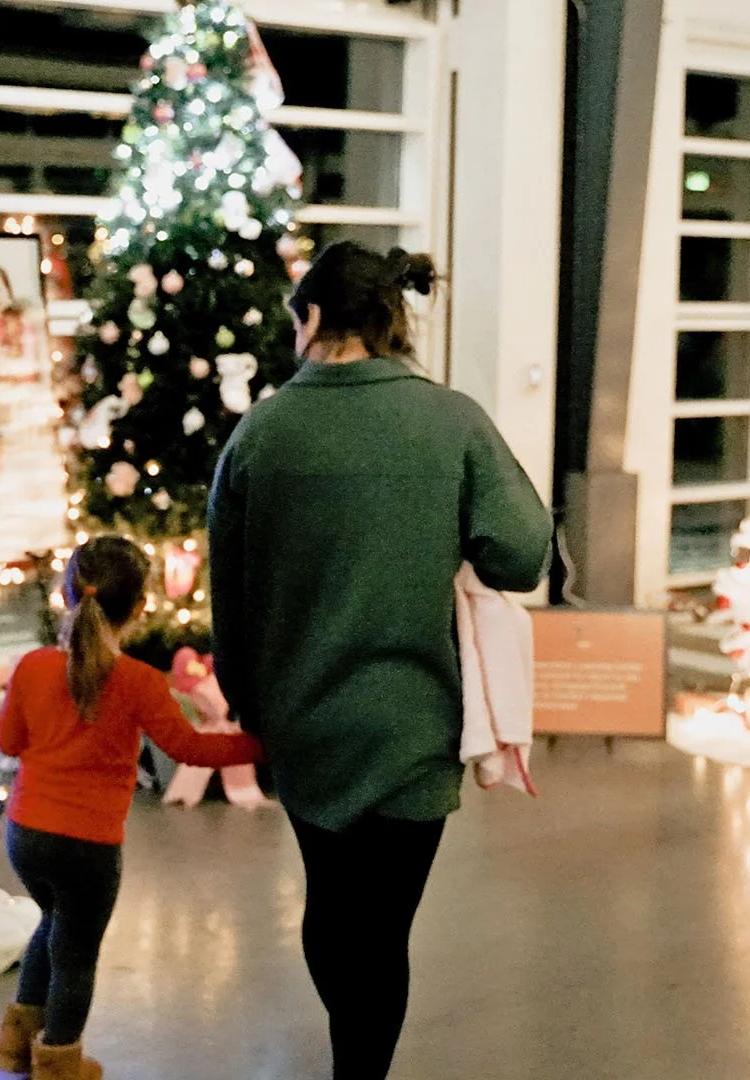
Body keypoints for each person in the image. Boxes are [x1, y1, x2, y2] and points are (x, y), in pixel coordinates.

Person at [208, 242, 553, 1080]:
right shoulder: (452, 418)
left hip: (305, 726)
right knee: (384, 929)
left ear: (315, 318)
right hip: (414, 728)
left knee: (331, 913)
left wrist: (248, 701)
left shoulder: (263, 430)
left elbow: (231, 596)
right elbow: (521, 555)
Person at [0, 537, 263, 1080]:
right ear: (140, 607)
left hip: (25, 836)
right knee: (76, 955)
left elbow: (8, 743)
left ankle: (16, 1044)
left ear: (66, 597)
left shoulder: (32, 667)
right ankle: (59, 1065)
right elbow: (190, 748)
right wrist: (263, 744)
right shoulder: (138, 682)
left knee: (53, 922)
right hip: (87, 848)